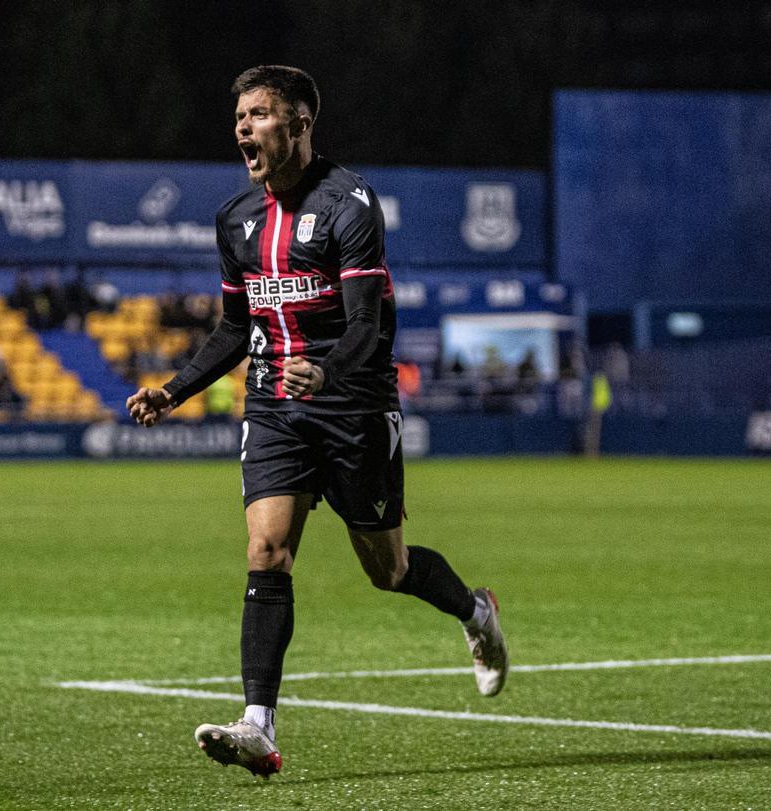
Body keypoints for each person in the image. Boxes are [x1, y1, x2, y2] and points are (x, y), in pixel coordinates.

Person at [125, 65, 508, 779]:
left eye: (261, 113)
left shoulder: (349, 204)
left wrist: (328, 369)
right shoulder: (236, 218)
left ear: (300, 125)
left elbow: (371, 322)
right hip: (273, 405)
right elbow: (234, 328)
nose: (245, 126)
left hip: (353, 403)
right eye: (240, 114)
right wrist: (173, 390)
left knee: (387, 568)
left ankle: (475, 609)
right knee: (266, 549)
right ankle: (257, 726)